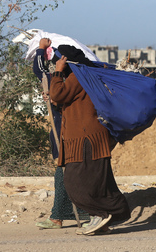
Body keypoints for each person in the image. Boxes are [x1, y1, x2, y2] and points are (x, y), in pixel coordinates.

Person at [49, 45, 130, 235]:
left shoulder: (79, 75)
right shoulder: (85, 75)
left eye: (59, 61)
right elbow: (69, 102)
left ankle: (100, 214)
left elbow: (58, 94)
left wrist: (58, 73)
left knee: (74, 183)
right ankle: (106, 218)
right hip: (90, 136)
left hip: (86, 138)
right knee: (99, 181)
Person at [32, 38, 89, 229]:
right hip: (73, 132)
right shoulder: (77, 78)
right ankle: (66, 214)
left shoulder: (66, 80)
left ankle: (61, 216)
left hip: (67, 134)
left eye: (58, 60)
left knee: (65, 174)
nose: (55, 63)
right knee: (70, 173)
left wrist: (41, 50)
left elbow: (38, 71)